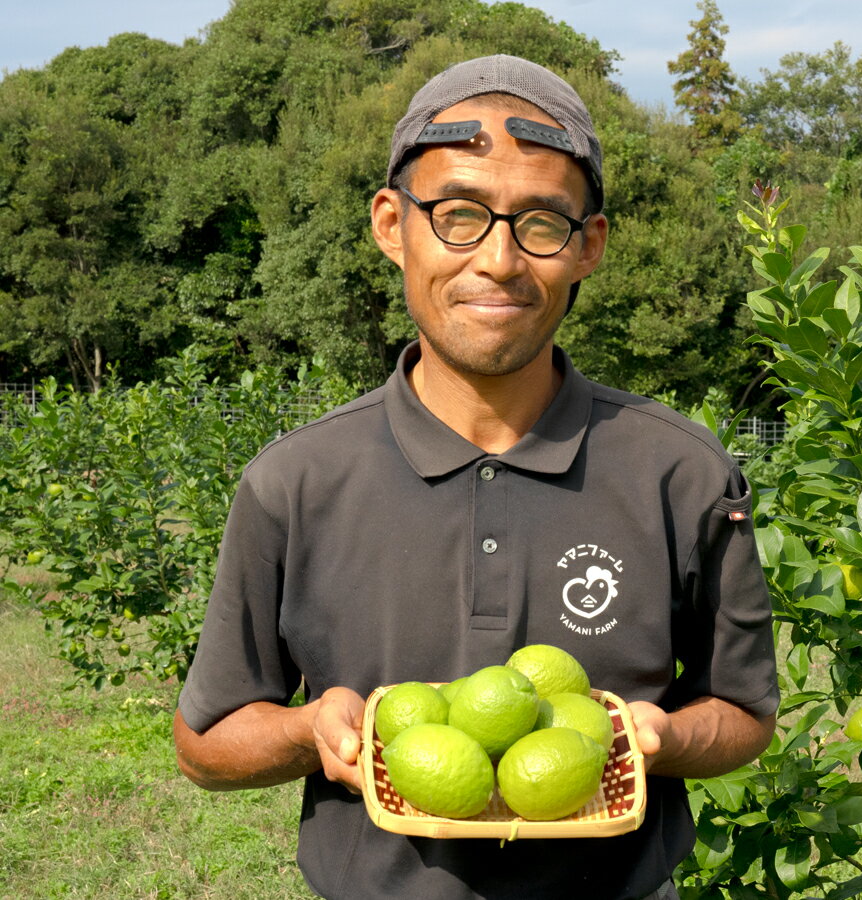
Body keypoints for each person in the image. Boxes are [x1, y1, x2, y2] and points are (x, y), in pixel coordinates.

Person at [173, 54, 778, 900]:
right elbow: (205, 743)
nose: (497, 261)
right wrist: (314, 729)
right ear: (393, 225)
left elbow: (744, 713)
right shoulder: (294, 483)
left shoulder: (681, 474)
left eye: (540, 223)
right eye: (457, 215)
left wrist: (657, 739)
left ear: (589, 246)